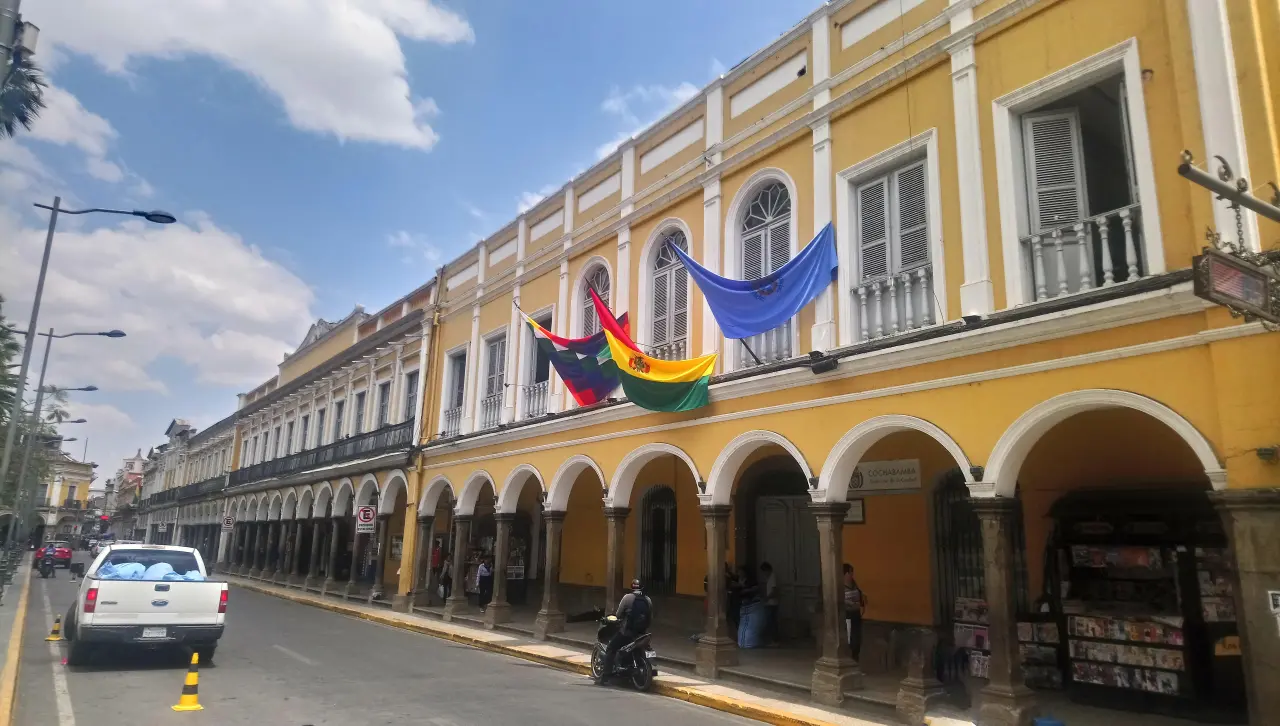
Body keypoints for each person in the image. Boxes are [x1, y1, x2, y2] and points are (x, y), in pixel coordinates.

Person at [598, 579, 652, 684]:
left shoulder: (627, 598)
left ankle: (606, 676)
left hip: (627, 633)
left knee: (611, 648)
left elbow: (618, 615)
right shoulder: (647, 600)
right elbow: (651, 617)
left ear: (632, 587)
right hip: (642, 633)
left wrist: (618, 619)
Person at [843, 563, 866, 660]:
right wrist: (848, 602)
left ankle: (855, 659)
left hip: (856, 615)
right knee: (849, 640)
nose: (852, 575)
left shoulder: (854, 584)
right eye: (850, 572)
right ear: (845, 574)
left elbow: (859, 595)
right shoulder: (839, 587)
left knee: (857, 639)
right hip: (847, 616)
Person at [760, 562, 779, 645]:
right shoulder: (769, 578)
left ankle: (774, 640)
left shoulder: (773, 577)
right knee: (771, 622)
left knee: (771, 623)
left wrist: (767, 598)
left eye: (764, 571)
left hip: (772, 604)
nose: (764, 573)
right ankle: (772, 640)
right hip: (770, 603)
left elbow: (774, 591)